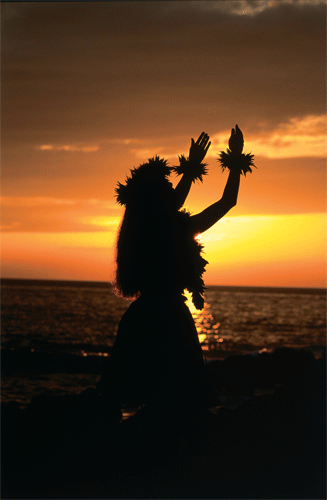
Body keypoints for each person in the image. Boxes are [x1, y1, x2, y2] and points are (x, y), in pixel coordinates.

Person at [97, 126, 254, 412]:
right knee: (180, 403)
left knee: (130, 397)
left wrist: (200, 165)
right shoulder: (166, 230)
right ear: (156, 198)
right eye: (166, 186)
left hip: (145, 316)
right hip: (169, 318)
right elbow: (218, 203)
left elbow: (201, 203)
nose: (173, 187)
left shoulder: (146, 230)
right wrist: (233, 159)